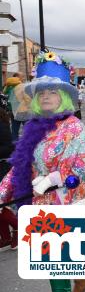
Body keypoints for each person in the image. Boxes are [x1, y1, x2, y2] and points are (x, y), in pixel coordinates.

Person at [0, 52, 85, 292]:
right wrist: (2, 191)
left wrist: (52, 179)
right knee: (50, 257)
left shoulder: (75, 127)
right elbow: (20, 164)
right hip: (41, 202)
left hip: (69, 200)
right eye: (41, 92)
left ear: (62, 96)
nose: (45, 96)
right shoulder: (33, 127)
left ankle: (74, 277)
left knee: (62, 255)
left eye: (52, 92)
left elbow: (82, 169)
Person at [0, 104, 16, 251]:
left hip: (2, 168)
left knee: (1, 205)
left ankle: (17, 229)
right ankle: (5, 237)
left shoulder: (2, 126)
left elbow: (8, 148)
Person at [4, 72, 24, 141]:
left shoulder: (7, 86)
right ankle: (26, 145)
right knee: (27, 129)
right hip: (22, 110)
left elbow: (6, 97)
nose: (22, 78)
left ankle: (14, 145)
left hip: (12, 111)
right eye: (21, 77)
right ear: (17, 77)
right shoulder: (20, 86)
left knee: (14, 129)